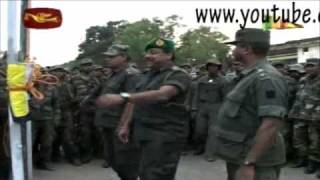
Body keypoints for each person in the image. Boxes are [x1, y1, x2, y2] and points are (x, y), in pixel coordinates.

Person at [96, 37, 191, 180]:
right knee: (141, 171)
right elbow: (134, 100)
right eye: (147, 53)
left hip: (164, 134)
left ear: (169, 55)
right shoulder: (146, 75)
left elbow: (162, 95)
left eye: (154, 53)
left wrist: (123, 97)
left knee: (156, 175)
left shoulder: (177, 74)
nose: (148, 56)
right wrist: (125, 125)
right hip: (143, 131)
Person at [212, 28, 287, 180]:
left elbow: (271, 125)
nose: (233, 50)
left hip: (256, 162)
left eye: (237, 46)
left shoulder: (266, 78)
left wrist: (249, 163)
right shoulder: (249, 76)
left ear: (246, 49)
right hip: (240, 154)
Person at [94, 44, 141, 180]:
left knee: (125, 163)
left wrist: (124, 125)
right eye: (107, 57)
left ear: (124, 57)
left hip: (120, 125)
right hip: (108, 123)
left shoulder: (131, 75)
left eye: (111, 57)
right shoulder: (113, 75)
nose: (107, 59)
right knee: (113, 160)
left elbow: (132, 100)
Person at [289, 58, 320, 178]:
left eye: (312, 66)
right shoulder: (302, 80)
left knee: (315, 141)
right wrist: (293, 112)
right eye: (307, 66)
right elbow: (298, 98)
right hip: (300, 115)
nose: (309, 68)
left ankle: (313, 163)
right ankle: (303, 159)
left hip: (315, 117)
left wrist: (316, 115)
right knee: (298, 139)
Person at [192, 59, 226, 162]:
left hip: (216, 106)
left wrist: (224, 110)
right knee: (199, 130)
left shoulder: (223, 80)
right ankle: (200, 147)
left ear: (219, 68)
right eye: (210, 66)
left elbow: (225, 96)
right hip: (202, 106)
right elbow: (196, 95)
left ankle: (210, 153)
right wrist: (194, 108)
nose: (212, 68)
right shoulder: (202, 80)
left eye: (215, 66)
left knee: (213, 131)